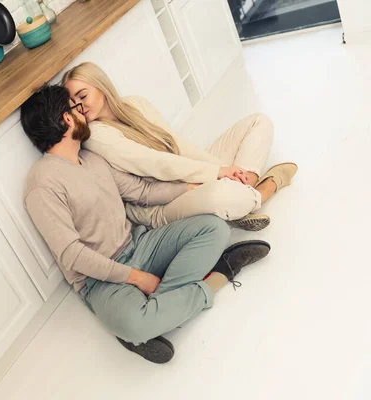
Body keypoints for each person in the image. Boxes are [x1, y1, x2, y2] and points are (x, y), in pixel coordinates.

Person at [20, 84, 271, 364]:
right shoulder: (42, 184)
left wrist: (199, 185)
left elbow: (142, 192)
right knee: (135, 325)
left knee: (215, 228)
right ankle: (218, 276)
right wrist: (137, 278)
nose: (84, 114)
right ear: (67, 119)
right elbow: (72, 255)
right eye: (76, 108)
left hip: (140, 245)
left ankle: (161, 312)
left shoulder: (90, 158)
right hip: (100, 281)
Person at [62, 62, 298, 231]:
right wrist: (219, 175)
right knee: (228, 194)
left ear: (102, 86)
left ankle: (244, 193)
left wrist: (224, 170)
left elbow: (176, 144)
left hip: (187, 173)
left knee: (259, 122)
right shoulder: (96, 135)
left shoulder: (135, 104)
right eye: (73, 103)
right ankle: (268, 185)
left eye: (83, 96)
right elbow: (156, 164)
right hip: (162, 204)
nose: (79, 107)